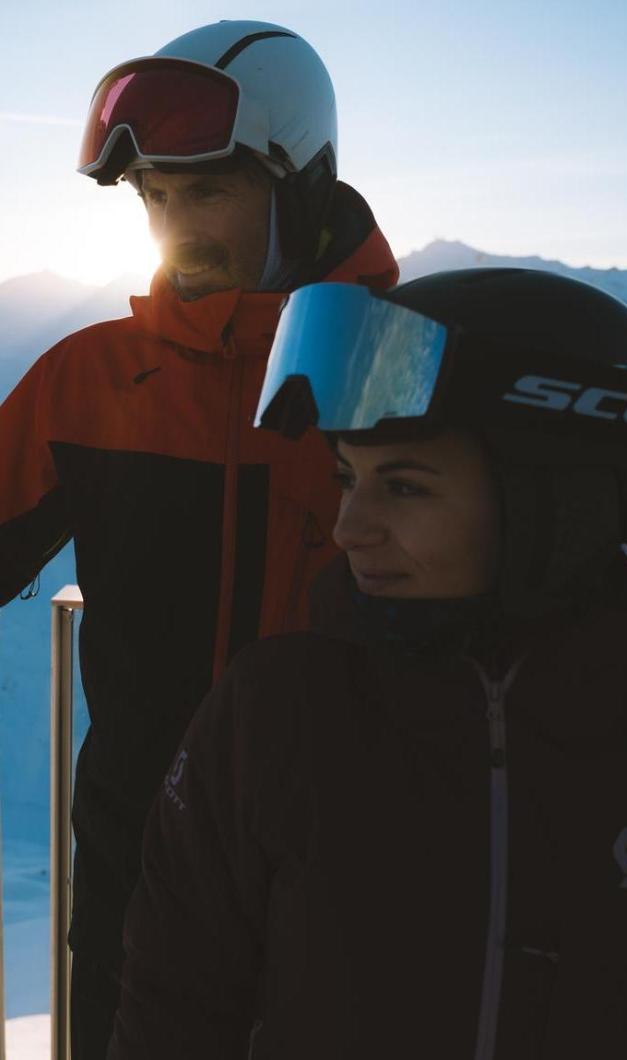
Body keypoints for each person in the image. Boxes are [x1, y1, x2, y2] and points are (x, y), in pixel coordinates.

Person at [108, 268, 627, 1059]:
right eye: (346, 478)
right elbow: (172, 1008)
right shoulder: (276, 713)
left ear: (559, 506)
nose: (350, 528)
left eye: (406, 487)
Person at [0, 20, 398, 1059]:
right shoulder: (89, 380)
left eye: (208, 191)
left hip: (352, 858)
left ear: (301, 186)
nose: (176, 227)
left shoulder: (396, 368)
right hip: (138, 855)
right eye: (155, 197)